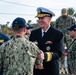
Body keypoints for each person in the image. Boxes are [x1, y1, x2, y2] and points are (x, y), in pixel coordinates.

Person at [29, 7, 64, 75]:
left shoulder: (58, 34)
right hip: (36, 70)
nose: (40, 20)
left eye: (42, 18)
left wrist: (44, 55)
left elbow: (59, 53)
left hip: (51, 70)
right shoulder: (33, 33)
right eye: (39, 18)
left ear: (49, 19)